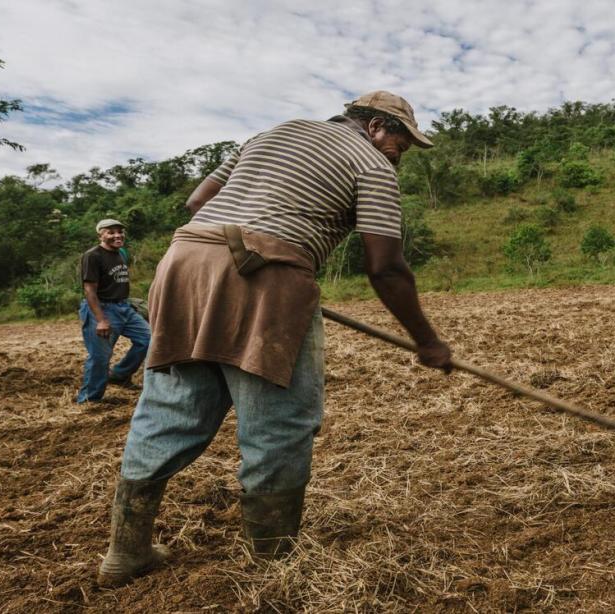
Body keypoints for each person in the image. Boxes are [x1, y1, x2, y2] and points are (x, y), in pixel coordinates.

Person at [97, 91, 453, 588]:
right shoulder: (371, 163)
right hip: (265, 278)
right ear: (375, 126)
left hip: (185, 263)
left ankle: (126, 550)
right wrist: (428, 342)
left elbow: (199, 203)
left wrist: (244, 256)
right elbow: (386, 266)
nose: (401, 154)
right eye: (401, 142)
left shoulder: (269, 134)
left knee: (170, 410)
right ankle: (273, 564)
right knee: (278, 421)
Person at [76, 219, 151, 404]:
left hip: (124, 307)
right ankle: (89, 399)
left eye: (120, 231)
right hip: (102, 309)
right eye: (110, 232)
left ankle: (119, 375)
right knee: (100, 356)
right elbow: (89, 290)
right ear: (100, 235)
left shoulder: (122, 253)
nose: (117, 235)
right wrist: (101, 320)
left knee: (148, 340)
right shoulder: (92, 256)